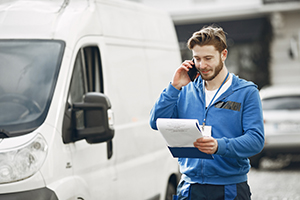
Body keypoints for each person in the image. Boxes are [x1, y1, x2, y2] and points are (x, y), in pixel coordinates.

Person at [149, 25, 264, 200]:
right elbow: (155, 122)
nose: (202, 65)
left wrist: (220, 146)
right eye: (197, 59)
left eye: (208, 58)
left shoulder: (246, 92)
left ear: (223, 55)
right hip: (190, 188)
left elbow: (255, 140)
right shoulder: (184, 89)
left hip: (230, 188)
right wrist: (174, 87)